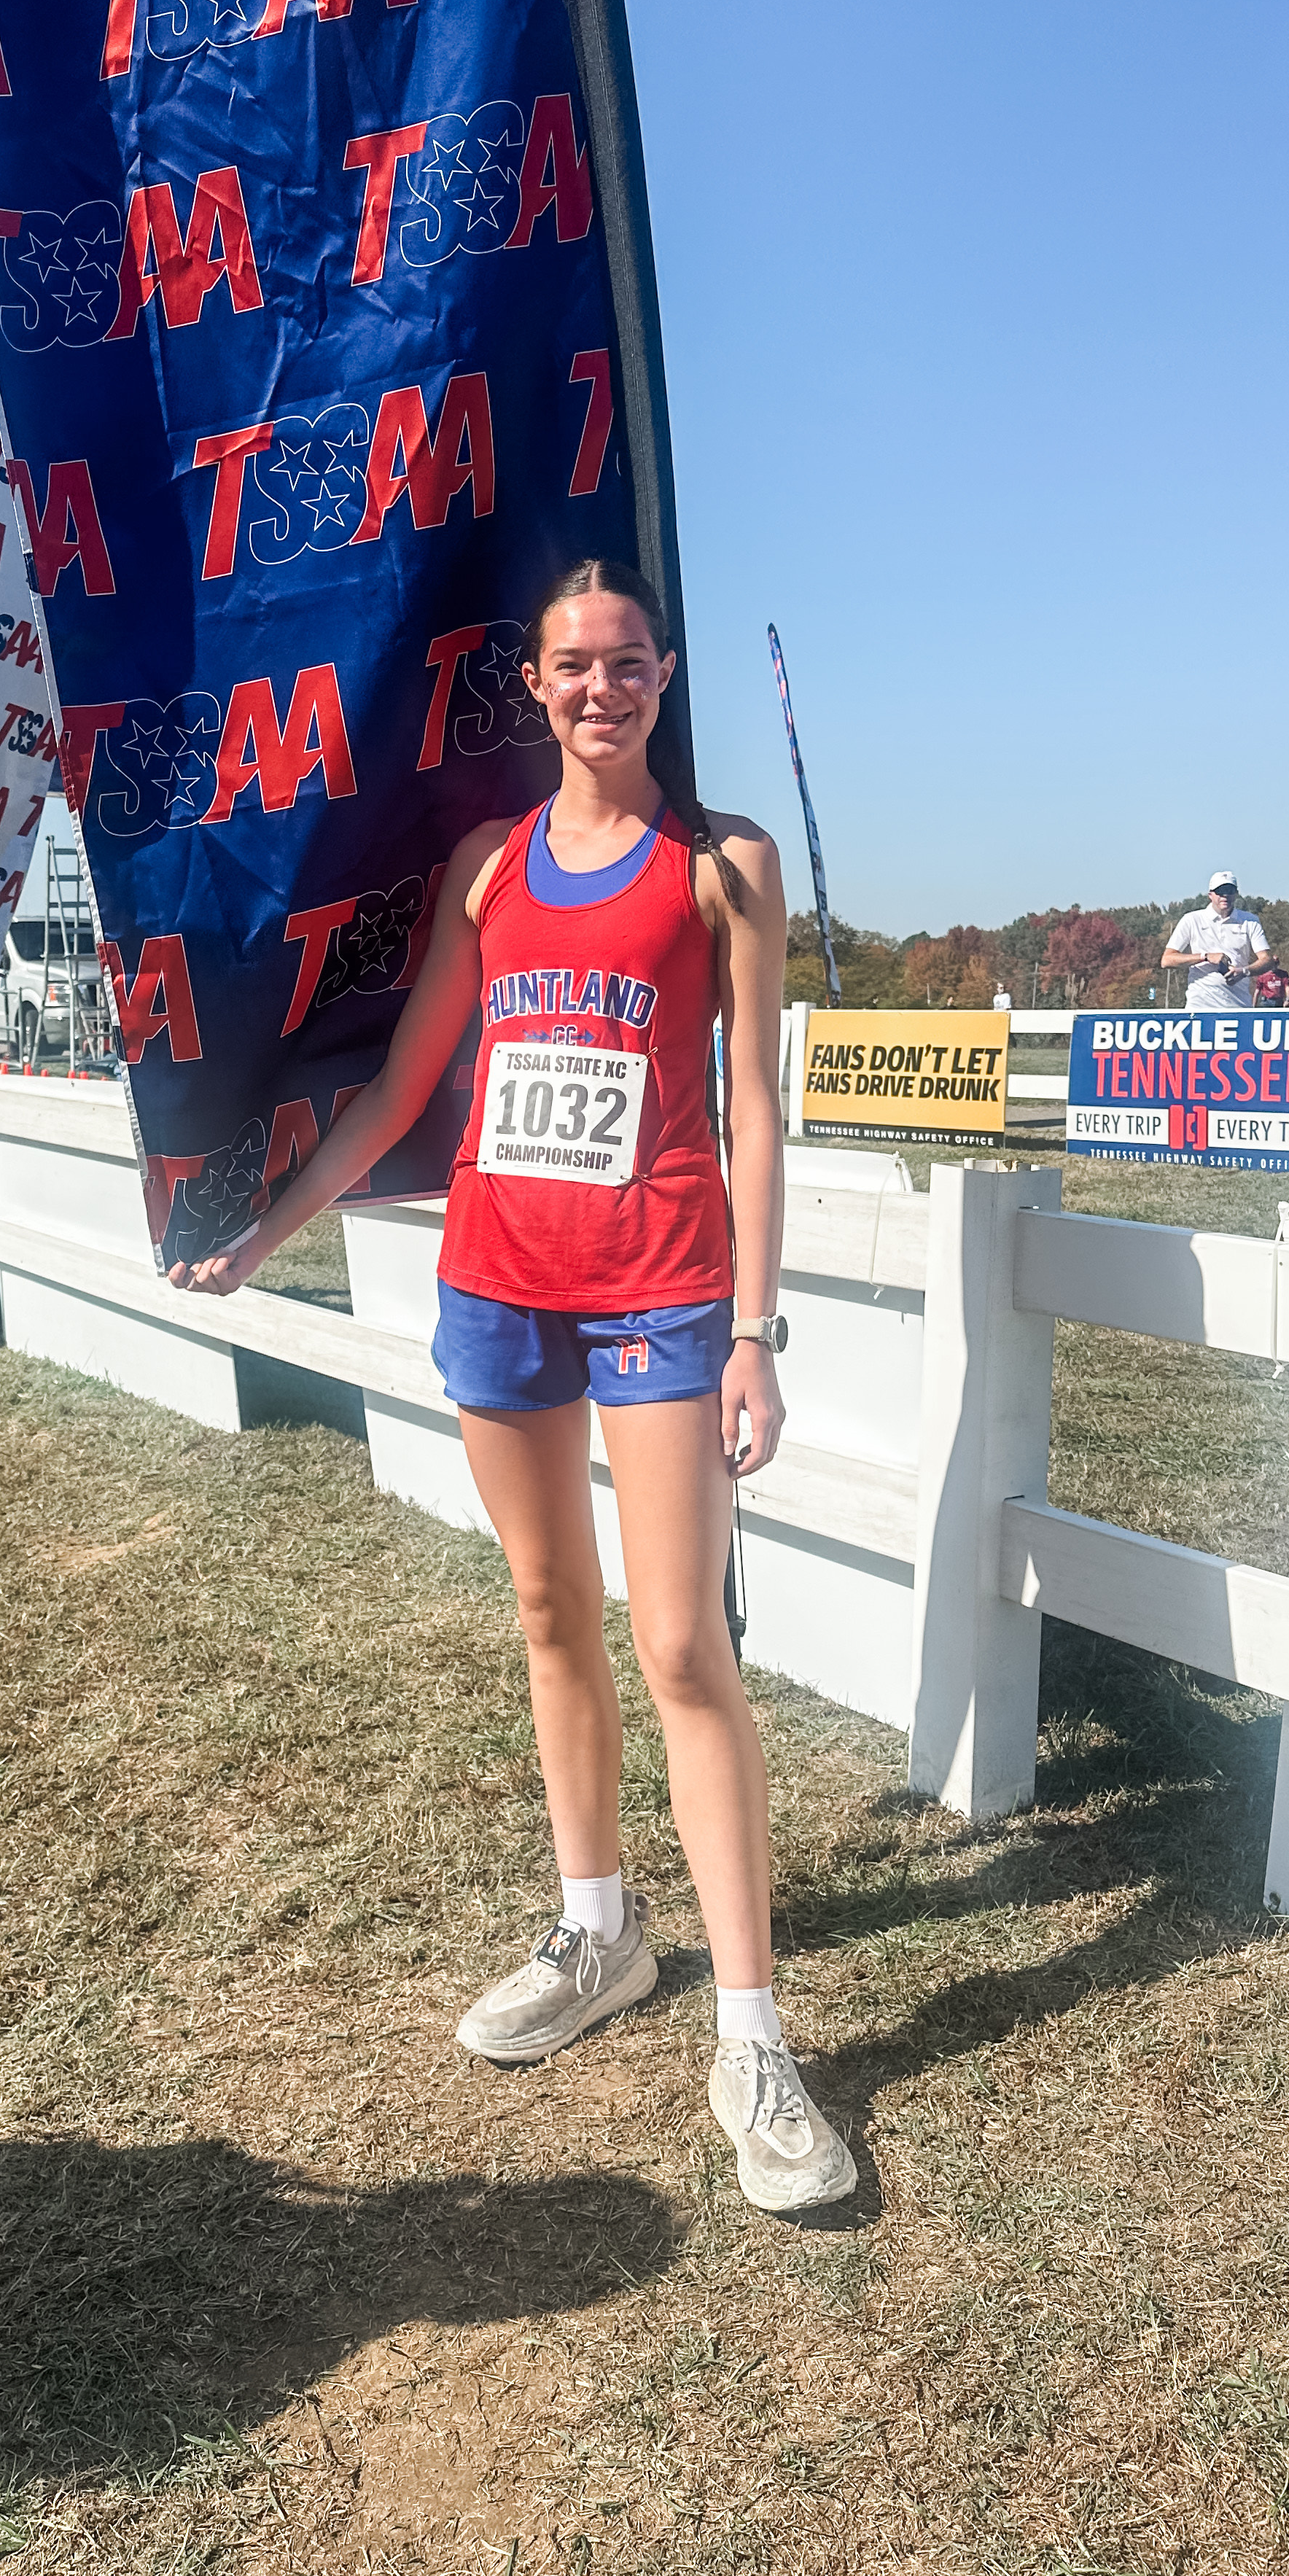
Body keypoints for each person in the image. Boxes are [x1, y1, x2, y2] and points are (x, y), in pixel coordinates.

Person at [170, 559, 857, 2216]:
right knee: (552, 1616)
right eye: (575, 665)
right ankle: (599, 1931)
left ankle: (754, 2037)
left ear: (662, 676)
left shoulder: (723, 866)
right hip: (499, 1283)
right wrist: (270, 1228)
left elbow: (753, 1107)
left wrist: (758, 1328)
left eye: (628, 663)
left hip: (666, 1290)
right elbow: (411, 1078)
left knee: (680, 1642)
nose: (603, 686)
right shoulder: (488, 871)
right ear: (536, 690)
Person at [1161, 872, 1273, 1013]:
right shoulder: (1191, 920)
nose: (1225, 896)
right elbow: (1167, 960)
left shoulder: (1250, 921)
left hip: (1239, 1008)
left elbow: (1267, 960)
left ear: (1236, 894)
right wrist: (1205, 956)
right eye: (1220, 891)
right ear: (1211, 895)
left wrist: (1244, 972)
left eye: (1230, 891)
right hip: (1199, 1009)